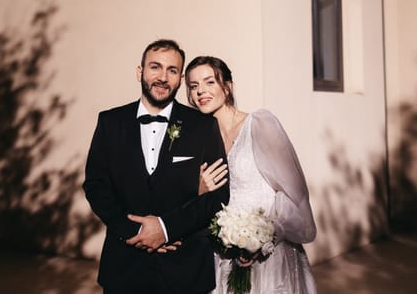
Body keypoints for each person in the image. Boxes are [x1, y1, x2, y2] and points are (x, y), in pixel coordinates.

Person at [84, 39, 230, 294]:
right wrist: (137, 231)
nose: (163, 77)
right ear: (140, 72)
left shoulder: (203, 126)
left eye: (172, 70)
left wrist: (166, 229)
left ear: (180, 78)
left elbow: (219, 194)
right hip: (124, 267)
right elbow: (96, 186)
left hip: (186, 269)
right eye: (155, 67)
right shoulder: (110, 122)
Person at [187, 55, 317, 294]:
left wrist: (266, 237)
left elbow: (292, 193)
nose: (200, 91)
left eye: (209, 82)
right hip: (222, 253)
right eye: (193, 86)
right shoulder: (201, 139)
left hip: (269, 255)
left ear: (227, 86)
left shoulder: (259, 123)